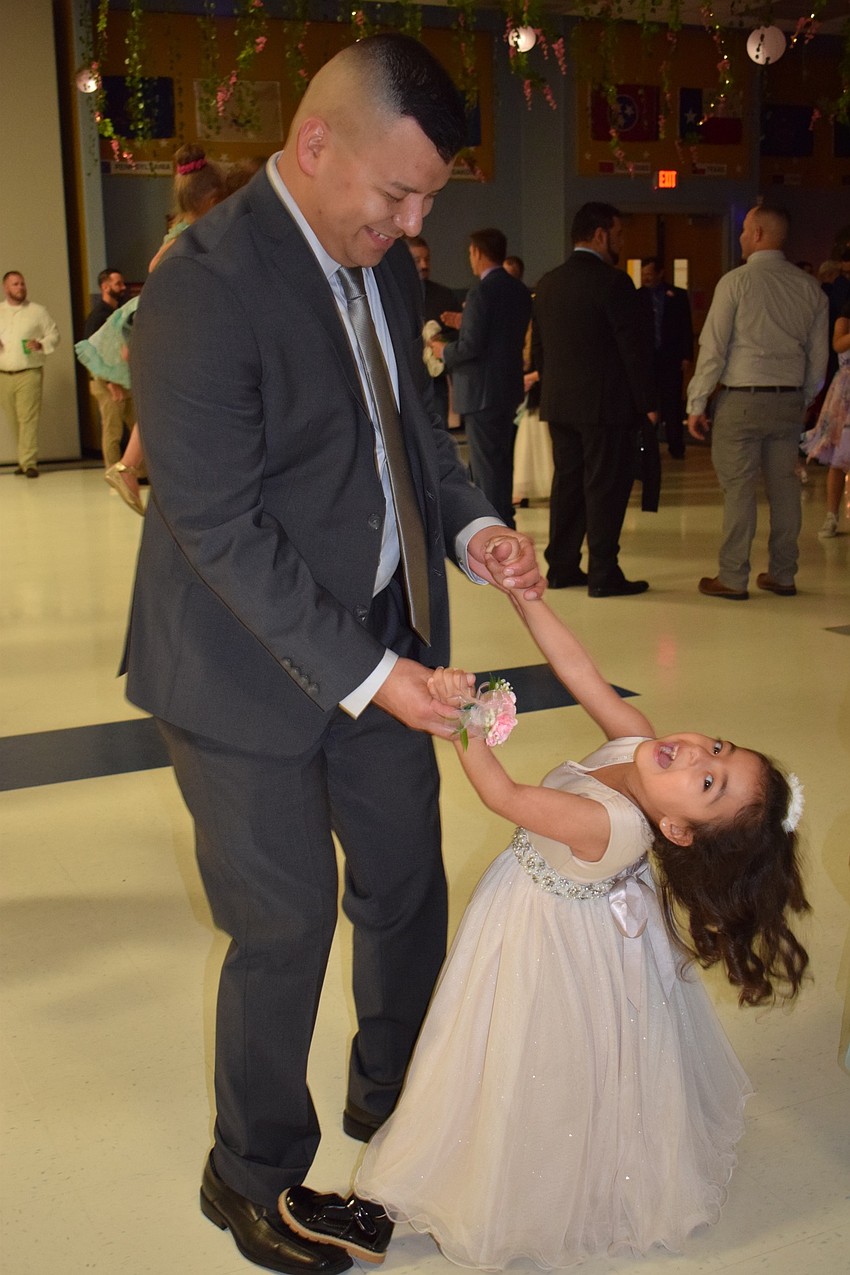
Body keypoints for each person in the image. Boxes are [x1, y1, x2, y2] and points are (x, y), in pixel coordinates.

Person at [124, 34, 543, 1275]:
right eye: (397, 194)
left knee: (405, 881)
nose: (412, 225)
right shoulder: (202, 283)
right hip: (235, 670)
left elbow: (411, 438)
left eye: (428, 202)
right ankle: (249, 1172)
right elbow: (215, 524)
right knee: (286, 922)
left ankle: (399, 1100)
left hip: (380, 637)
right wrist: (370, 676)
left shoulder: (384, 270)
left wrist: (471, 527)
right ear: (315, 144)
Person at [281, 580, 809, 1270]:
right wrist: (526, 597)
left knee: (482, 1058)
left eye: (709, 783)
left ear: (678, 831)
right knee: (537, 1065)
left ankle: (390, 1209)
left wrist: (463, 719)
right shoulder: (637, 741)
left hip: (540, 941)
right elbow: (579, 669)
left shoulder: (607, 823)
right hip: (572, 928)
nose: (696, 754)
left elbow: (502, 793)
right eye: (717, 747)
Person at [687, 205, 829, 600]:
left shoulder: (735, 283)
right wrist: (803, 398)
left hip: (742, 400)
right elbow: (818, 359)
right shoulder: (811, 289)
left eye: (744, 230)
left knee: (739, 490)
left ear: (759, 234)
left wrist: (697, 402)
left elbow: (713, 349)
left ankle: (733, 577)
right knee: (785, 490)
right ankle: (783, 574)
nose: (740, 237)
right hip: (788, 401)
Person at [533, 202, 657, 595]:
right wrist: (647, 404)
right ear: (601, 234)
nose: (621, 242)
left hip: (559, 404)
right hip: (605, 406)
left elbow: (538, 352)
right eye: (618, 234)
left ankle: (561, 566)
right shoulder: (614, 283)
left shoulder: (548, 283)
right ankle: (604, 571)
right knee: (605, 488)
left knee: (568, 485)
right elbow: (632, 350)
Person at [98, 144, 229, 513]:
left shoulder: (186, 230)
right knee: (161, 400)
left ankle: (129, 465)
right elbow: (156, 266)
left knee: (157, 400)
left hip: (162, 320)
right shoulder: (190, 233)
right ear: (213, 200)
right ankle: (128, 465)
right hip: (163, 320)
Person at [431, 227, 532, 527]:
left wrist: (442, 350)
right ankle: (504, 522)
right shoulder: (518, 289)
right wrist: (465, 322)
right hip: (507, 388)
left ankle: (495, 527)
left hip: (481, 392)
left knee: (487, 470)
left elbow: (471, 346)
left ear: (477, 253)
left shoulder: (481, 292)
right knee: (500, 464)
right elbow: (499, 335)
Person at [0, 271, 60, 477]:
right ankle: (23, 459)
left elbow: (54, 334)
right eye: (15, 284)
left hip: (29, 372)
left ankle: (29, 462)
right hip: (4, 373)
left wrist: (41, 344)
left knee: (28, 418)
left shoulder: (37, 311)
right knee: (13, 419)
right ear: (6, 288)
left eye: (22, 283)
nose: (20, 287)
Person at [81, 267, 136, 472]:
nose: (123, 287)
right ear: (105, 287)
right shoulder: (98, 317)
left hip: (123, 377)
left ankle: (138, 472)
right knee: (113, 429)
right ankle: (113, 472)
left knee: (137, 425)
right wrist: (109, 381)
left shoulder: (118, 313)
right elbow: (92, 352)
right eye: (117, 283)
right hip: (106, 381)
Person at [803, 300, 850, 537]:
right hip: (846, 394)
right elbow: (838, 344)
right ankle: (831, 515)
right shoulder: (845, 317)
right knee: (840, 456)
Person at [639, 256, 694, 459]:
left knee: (672, 403)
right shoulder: (637, 297)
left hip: (671, 357)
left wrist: (687, 355)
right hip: (646, 359)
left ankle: (676, 446)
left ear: (660, 273)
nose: (646, 278)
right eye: (643, 275)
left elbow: (686, 326)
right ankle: (647, 446)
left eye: (649, 274)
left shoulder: (677, 296)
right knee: (648, 403)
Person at [406, 235, 457, 430]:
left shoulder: (444, 295)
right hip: (404, 382)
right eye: (417, 260)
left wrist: (440, 340)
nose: (424, 265)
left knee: (438, 435)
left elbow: (460, 336)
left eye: (427, 259)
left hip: (435, 384)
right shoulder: (393, 296)